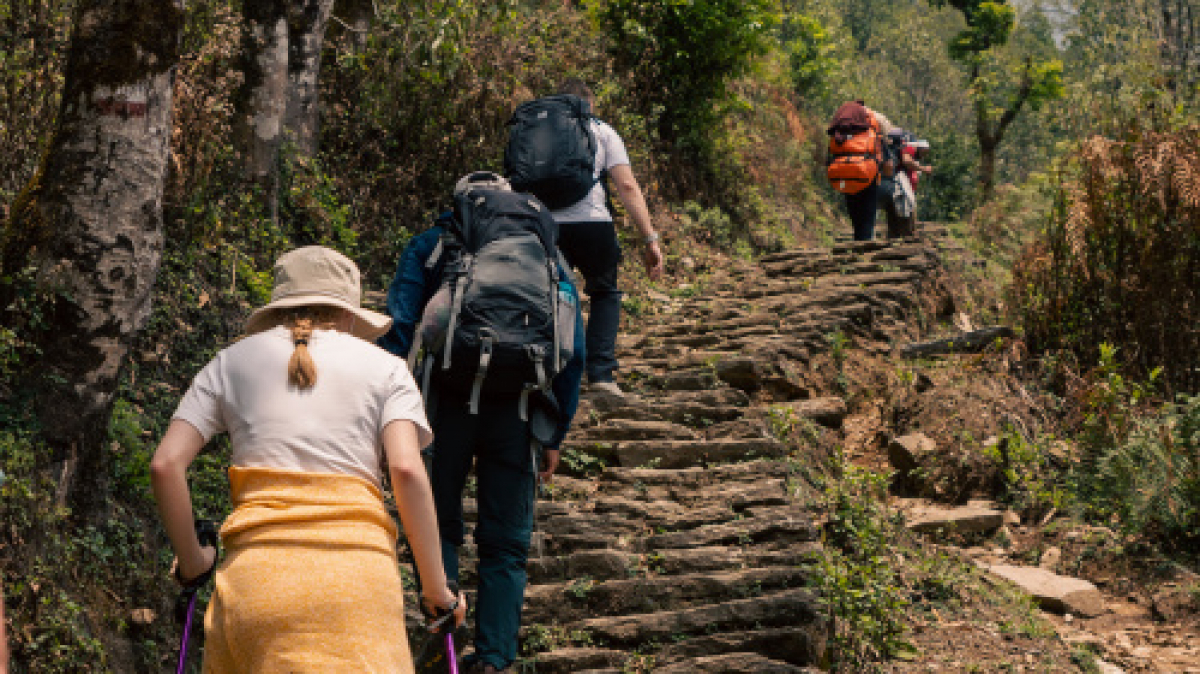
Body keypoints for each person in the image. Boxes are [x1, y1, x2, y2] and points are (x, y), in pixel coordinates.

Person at [151, 245, 464, 673]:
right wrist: (435, 591)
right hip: (357, 584)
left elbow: (165, 465)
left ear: (278, 309)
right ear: (349, 314)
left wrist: (194, 562)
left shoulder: (230, 363)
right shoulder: (387, 368)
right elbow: (406, 469)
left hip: (255, 583)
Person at [380, 172, 585, 674]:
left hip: (442, 406)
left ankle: (443, 637)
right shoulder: (545, 252)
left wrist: (386, 411)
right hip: (518, 409)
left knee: (436, 523)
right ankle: (494, 659)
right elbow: (572, 346)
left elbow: (401, 327)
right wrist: (555, 432)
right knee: (507, 542)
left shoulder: (433, 245)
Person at [543, 78, 663, 398]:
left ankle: (549, 375)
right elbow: (627, 187)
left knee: (548, 295)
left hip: (545, 225)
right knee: (604, 292)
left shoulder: (539, 130)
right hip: (593, 224)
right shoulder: (602, 131)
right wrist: (649, 238)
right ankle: (600, 375)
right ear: (589, 104)